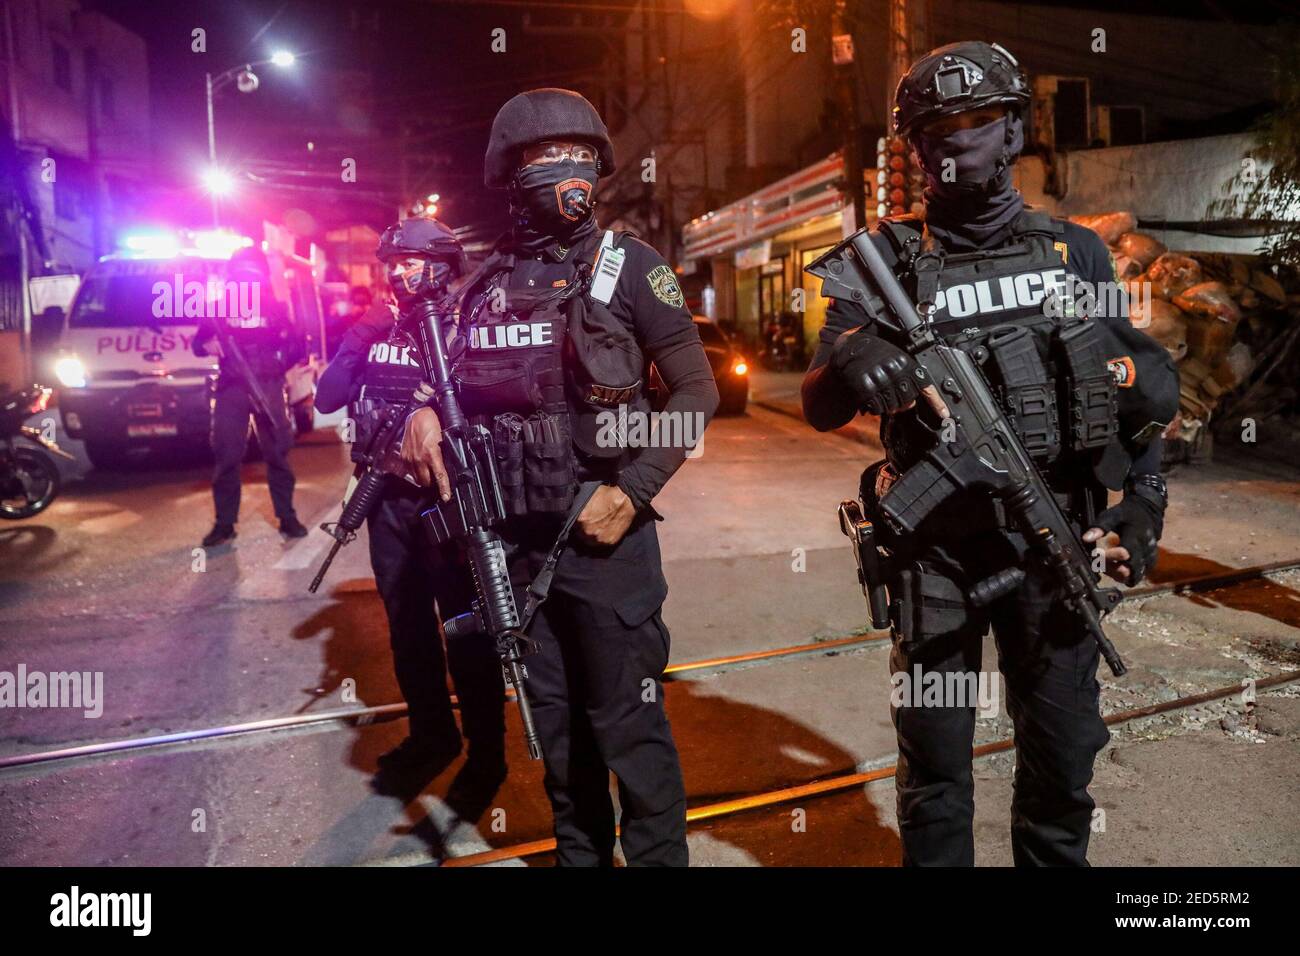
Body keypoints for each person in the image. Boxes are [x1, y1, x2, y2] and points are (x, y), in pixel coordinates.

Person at [802, 41, 1179, 866]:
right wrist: (853, 358)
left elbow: (1141, 391)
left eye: (976, 121)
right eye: (933, 127)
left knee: (1061, 768)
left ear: (1013, 132)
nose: (952, 140)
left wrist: (1142, 504)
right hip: (933, 556)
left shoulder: (1071, 252)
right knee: (935, 774)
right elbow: (819, 402)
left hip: (1056, 547)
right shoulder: (886, 261)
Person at [398, 88, 719, 866]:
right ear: (510, 175)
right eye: (543, 159)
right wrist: (422, 412)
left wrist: (633, 488)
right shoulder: (478, 289)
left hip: (608, 548)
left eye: (577, 158)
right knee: (564, 754)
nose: (563, 172)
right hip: (515, 554)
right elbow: (441, 385)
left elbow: (696, 393)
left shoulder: (632, 268)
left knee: (633, 741)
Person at [314, 218, 506, 794]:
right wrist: (359, 336)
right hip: (387, 502)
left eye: (409, 260)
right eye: (391, 262)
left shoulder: (467, 323)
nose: (397, 272)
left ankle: (487, 747)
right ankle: (432, 734)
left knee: (465, 626)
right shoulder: (379, 326)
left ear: (442, 265)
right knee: (406, 625)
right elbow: (327, 396)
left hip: (444, 501)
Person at [195, 246, 307, 547]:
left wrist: (277, 366)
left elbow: (299, 346)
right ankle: (224, 523)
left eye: (252, 272)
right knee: (227, 455)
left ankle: (287, 517)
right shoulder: (218, 309)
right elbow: (198, 343)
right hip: (232, 387)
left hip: (267, 385)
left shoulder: (275, 307)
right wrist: (209, 344)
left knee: (278, 454)